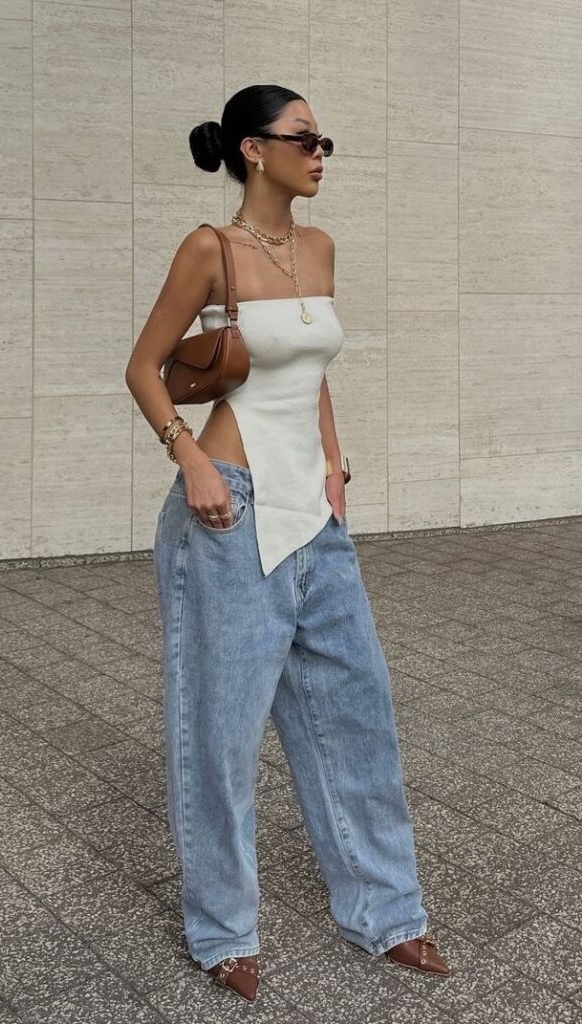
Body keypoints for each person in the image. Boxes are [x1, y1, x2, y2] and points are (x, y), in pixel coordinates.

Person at [125, 84, 450, 1004]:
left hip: (314, 512)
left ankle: (388, 916)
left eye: (324, 140)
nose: (321, 153)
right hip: (226, 508)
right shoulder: (211, 250)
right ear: (251, 150)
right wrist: (186, 457)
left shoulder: (319, 247)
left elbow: (310, 375)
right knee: (219, 736)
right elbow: (142, 366)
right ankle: (223, 932)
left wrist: (338, 470)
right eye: (305, 139)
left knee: (358, 717)